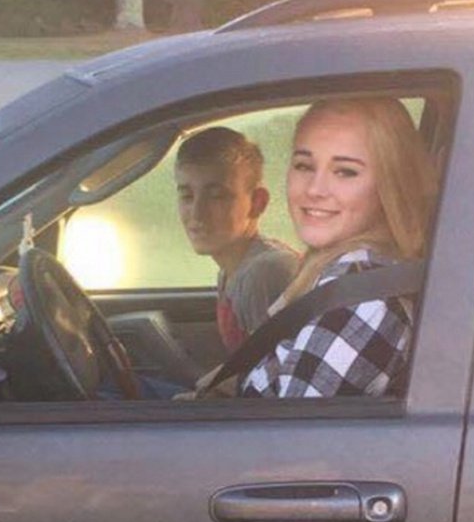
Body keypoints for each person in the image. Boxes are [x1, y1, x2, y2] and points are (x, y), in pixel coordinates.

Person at [240, 96, 437, 398]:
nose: (315, 190)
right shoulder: (332, 268)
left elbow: (284, 439)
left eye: (345, 171)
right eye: (304, 165)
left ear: (389, 183)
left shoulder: (362, 299)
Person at [176, 127, 299, 353]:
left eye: (217, 196)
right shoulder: (231, 271)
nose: (196, 214)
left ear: (257, 203)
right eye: (187, 196)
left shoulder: (265, 273)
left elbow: (275, 377)